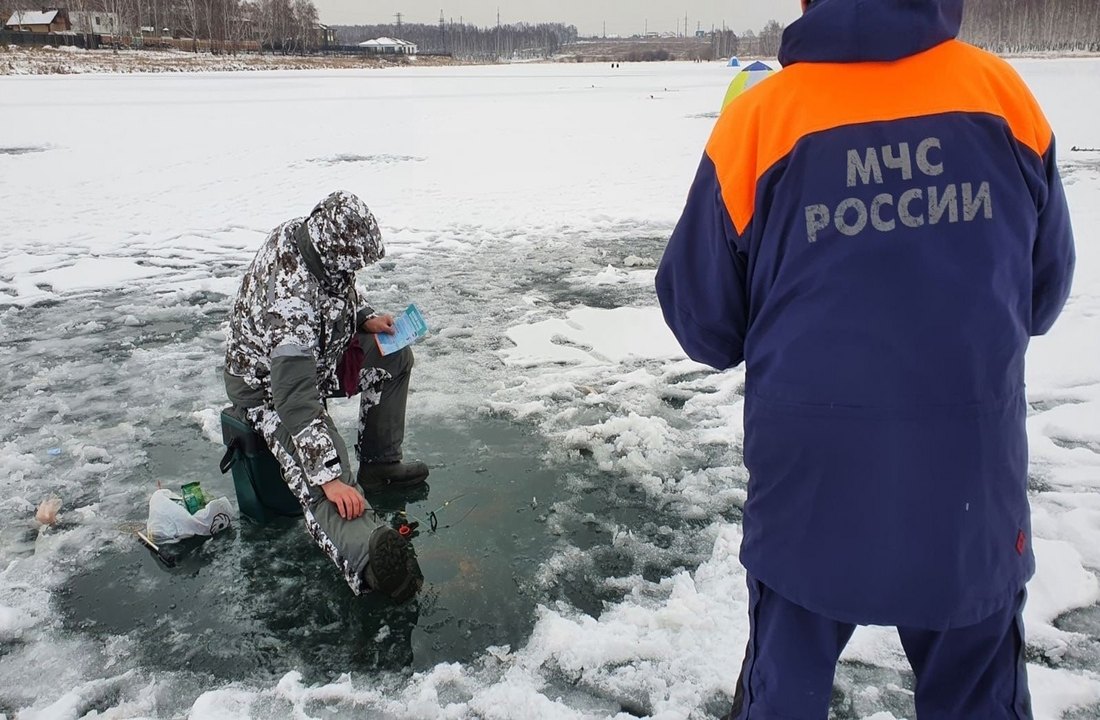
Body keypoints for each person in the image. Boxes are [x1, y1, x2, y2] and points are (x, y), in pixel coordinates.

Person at [655, 0, 1075, 717]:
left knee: (783, 693)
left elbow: (704, 324)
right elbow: (1043, 293)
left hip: (812, 499)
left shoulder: (763, 120)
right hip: (966, 496)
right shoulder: (1003, 99)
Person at [223, 190, 429, 601]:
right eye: (354, 262)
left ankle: (380, 463)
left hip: (315, 358)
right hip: (267, 387)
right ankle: (370, 561)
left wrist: (365, 318)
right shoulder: (289, 301)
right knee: (327, 473)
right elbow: (295, 398)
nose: (356, 270)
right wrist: (329, 478)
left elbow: (338, 289)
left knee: (393, 355)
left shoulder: (313, 242)